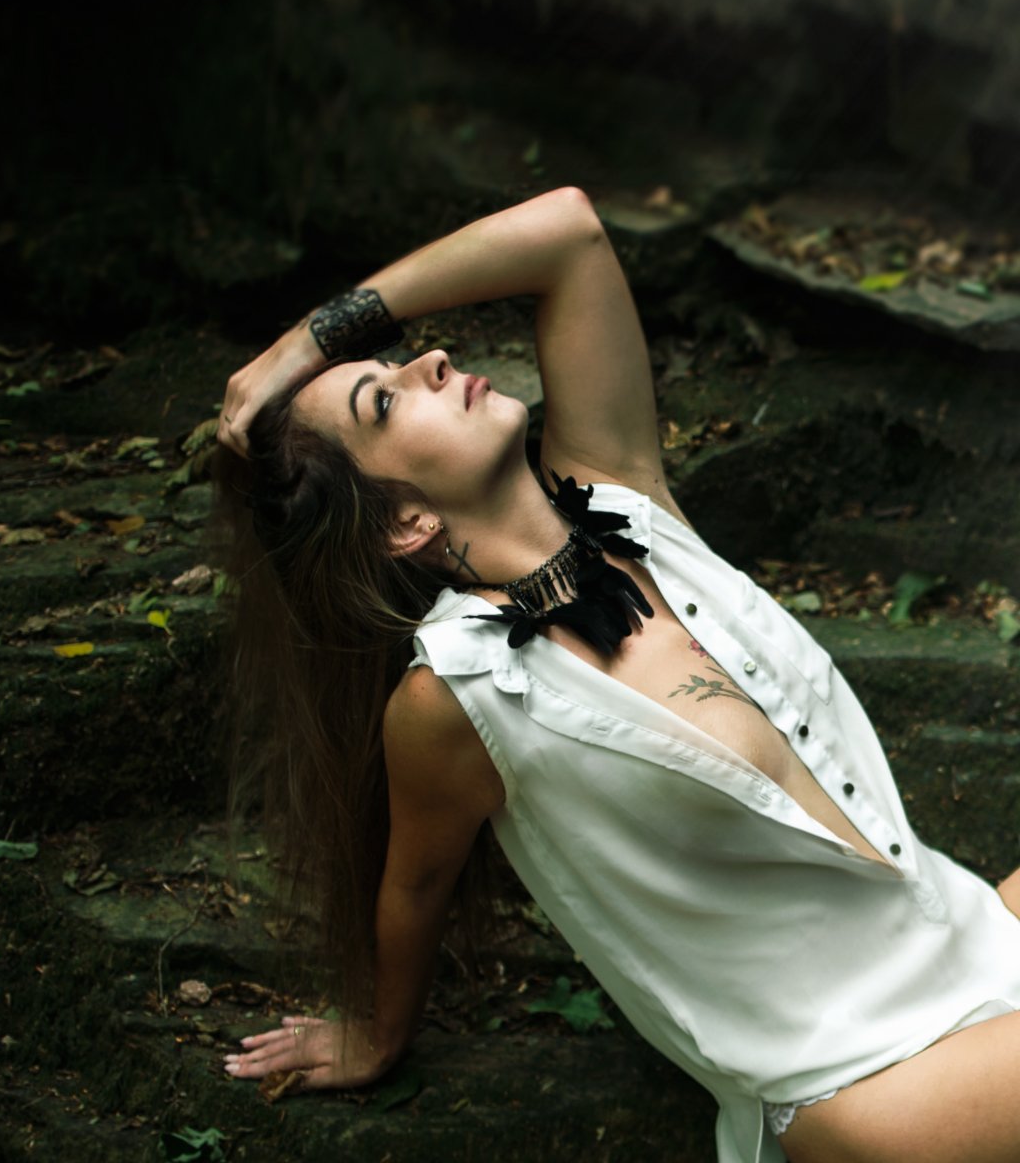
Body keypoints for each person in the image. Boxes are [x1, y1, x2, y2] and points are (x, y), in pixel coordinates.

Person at [214, 188, 1020, 1163]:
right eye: (386, 401)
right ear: (403, 523)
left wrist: (308, 342)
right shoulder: (459, 698)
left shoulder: (625, 497)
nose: (431, 360)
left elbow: (568, 232)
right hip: (874, 1076)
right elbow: (415, 886)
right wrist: (377, 1035)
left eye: (402, 364)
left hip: (974, 936)